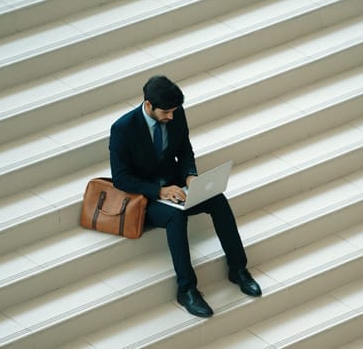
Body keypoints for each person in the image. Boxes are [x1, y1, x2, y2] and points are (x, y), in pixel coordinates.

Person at [109, 75, 261, 318]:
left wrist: (191, 177)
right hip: (146, 198)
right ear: (148, 105)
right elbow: (121, 178)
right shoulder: (122, 129)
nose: (171, 116)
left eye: (174, 111)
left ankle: (238, 269)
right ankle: (187, 289)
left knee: (217, 200)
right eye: (166, 112)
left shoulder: (176, 114)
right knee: (175, 218)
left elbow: (185, 150)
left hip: (177, 187)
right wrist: (159, 192)